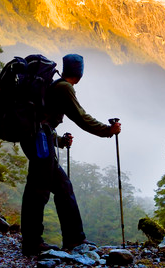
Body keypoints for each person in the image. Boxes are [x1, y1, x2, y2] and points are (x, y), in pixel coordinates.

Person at [20, 53, 121, 256]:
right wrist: (107, 131)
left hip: (39, 139)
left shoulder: (55, 85)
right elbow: (81, 117)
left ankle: (74, 239)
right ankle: (32, 243)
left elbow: (43, 119)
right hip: (40, 141)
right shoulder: (64, 88)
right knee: (38, 191)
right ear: (80, 72)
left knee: (63, 188)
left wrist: (58, 141)